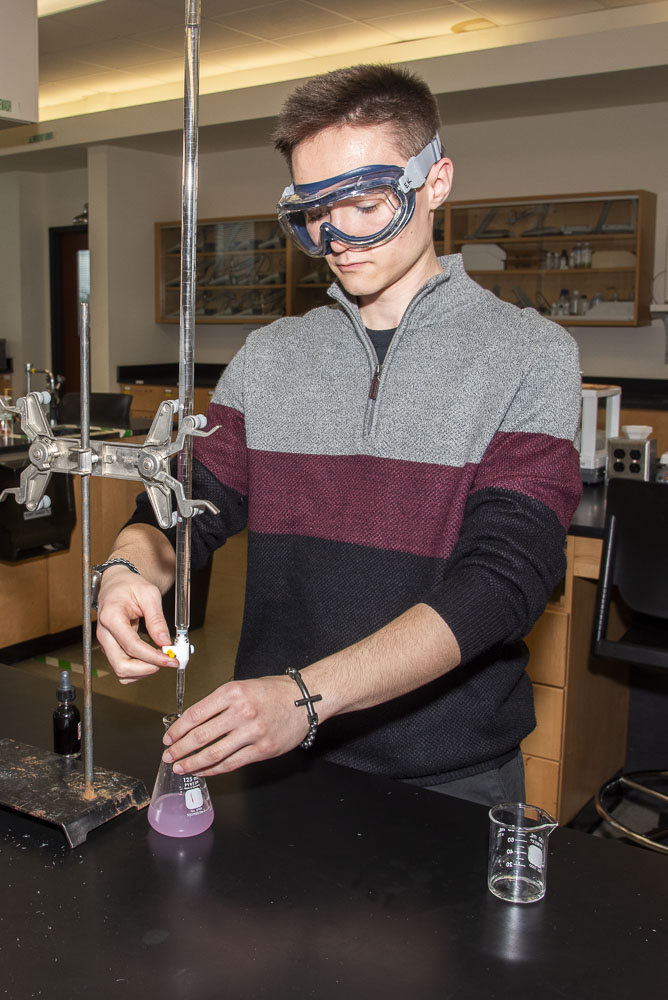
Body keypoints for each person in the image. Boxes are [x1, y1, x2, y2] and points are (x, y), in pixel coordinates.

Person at [96, 64, 583, 806]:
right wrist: (128, 571)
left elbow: (503, 581)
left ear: (436, 181)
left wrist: (305, 698)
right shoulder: (271, 356)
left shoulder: (531, 355)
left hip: (449, 777)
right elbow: (185, 507)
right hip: (276, 763)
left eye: (362, 201)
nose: (336, 236)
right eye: (314, 212)